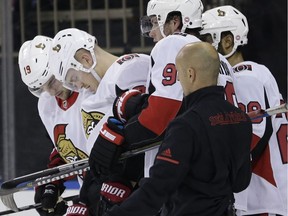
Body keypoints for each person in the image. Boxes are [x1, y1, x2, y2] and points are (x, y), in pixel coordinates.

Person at [89, 0, 238, 184]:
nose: (151, 32)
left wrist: (116, 139)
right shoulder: (221, 61)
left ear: (175, 21)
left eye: (154, 22)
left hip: (186, 179)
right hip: (222, 177)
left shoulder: (174, 44)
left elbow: (160, 116)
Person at [102, 41, 252, 216]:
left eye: (178, 73)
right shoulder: (242, 119)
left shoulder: (186, 125)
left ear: (190, 74)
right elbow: (240, 182)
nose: (178, 79)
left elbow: (157, 188)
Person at [48, 28, 150, 215]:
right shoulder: (90, 96)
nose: (77, 87)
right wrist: (86, 198)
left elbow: (150, 128)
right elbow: (99, 157)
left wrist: (122, 181)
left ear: (86, 60)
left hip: (147, 187)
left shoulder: (129, 70)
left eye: (74, 78)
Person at [200, 5, 288, 216]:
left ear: (228, 41)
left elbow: (251, 137)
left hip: (265, 198)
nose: (202, 47)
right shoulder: (243, 76)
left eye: (206, 39)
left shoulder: (246, 75)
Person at [18, 35, 94, 215]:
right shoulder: (46, 103)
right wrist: (52, 183)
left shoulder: (91, 89)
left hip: (123, 189)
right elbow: (65, 148)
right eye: (40, 88)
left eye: (52, 81)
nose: (50, 92)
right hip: (91, 192)